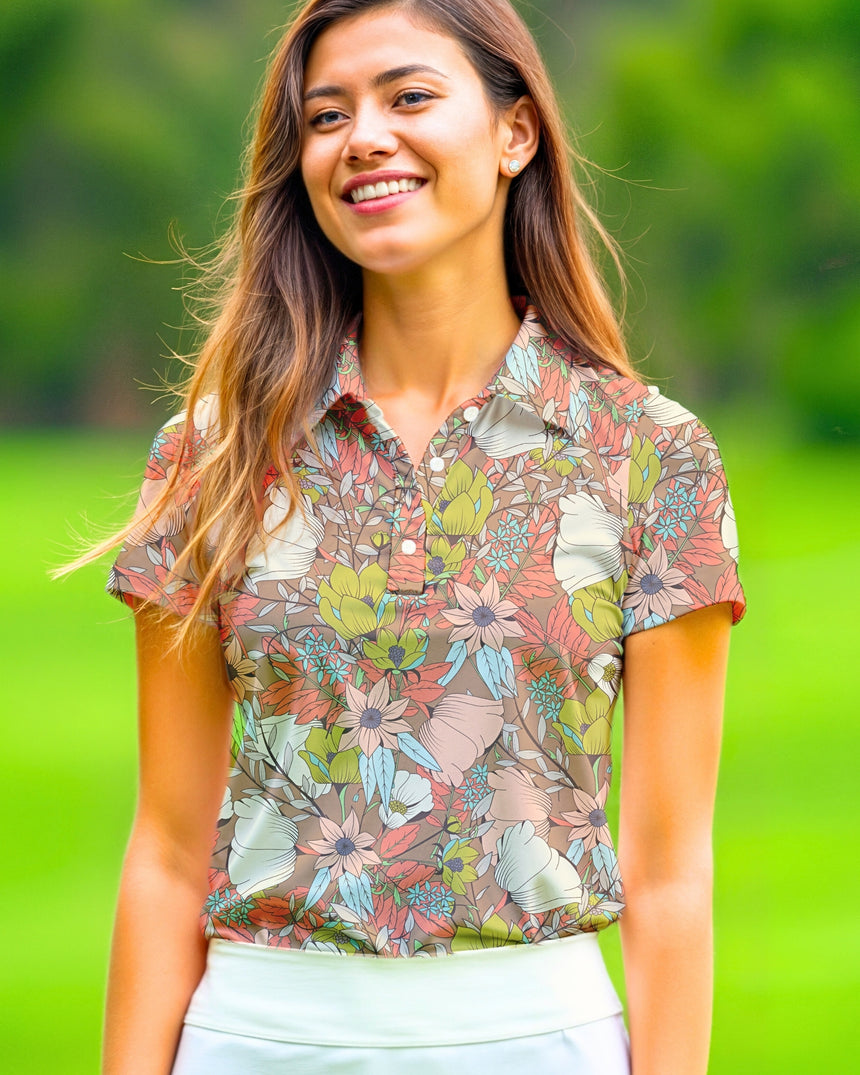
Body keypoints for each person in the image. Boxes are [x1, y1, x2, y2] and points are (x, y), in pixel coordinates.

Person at [91, 0, 746, 1071]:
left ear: (514, 134)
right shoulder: (208, 456)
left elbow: (670, 867)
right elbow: (167, 850)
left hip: (536, 1040)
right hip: (255, 1036)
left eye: (408, 97)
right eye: (326, 114)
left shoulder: (649, 455)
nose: (363, 138)